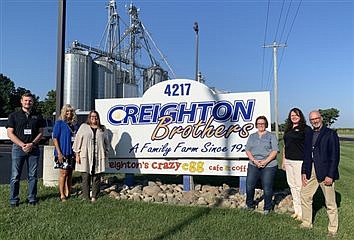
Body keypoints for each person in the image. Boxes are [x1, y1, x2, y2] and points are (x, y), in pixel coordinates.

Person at [300, 110, 340, 237]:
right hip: (311, 169)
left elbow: (335, 156)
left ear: (321, 118)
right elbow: (306, 154)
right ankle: (306, 223)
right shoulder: (309, 134)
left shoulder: (330, 134)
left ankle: (332, 229)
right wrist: (304, 171)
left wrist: (330, 175)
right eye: (312, 119)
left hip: (325, 171)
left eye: (316, 118)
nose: (315, 121)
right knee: (304, 195)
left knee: (330, 202)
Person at [7, 92, 45, 207]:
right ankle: (14, 199)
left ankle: (32, 198)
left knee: (33, 176)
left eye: (30, 100)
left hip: (34, 149)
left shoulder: (37, 116)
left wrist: (32, 144)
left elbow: (41, 132)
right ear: (21, 101)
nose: (28, 102)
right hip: (18, 149)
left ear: (33, 102)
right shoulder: (14, 115)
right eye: (26, 100)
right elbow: (10, 133)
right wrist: (23, 145)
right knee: (15, 176)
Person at [244, 116, 278, 215]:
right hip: (253, 164)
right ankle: (249, 205)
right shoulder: (252, 136)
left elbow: (275, 151)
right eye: (259, 123)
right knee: (249, 185)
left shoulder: (271, 136)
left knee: (267, 187)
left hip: (269, 165)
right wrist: (254, 161)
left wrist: (265, 162)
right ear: (256, 124)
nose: (261, 125)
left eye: (262, 123)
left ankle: (267, 208)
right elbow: (247, 150)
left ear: (266, 124)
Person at [281, 108, 311, 221]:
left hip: (299, 161)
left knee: (299, 186)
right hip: (288, 161)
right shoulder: (288, 129)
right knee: (292, 185)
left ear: (300, 116)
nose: (294, 117)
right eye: (292, 115)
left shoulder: (306, 129)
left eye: (296, 115)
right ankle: (297, 211)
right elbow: (285, 146)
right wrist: (283, 160)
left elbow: (308, 148)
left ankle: (304, 212)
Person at [73, 110, 109, 202]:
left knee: (97, 177)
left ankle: (94, 196)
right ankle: (86, 197)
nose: (94, 118)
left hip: (98, 155)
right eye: (92, 116)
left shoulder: (102, 128)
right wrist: (77, 154)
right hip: (86, 155)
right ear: (89, 117)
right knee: (86, 177)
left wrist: (106, 151)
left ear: (98, 118)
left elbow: (107, 142)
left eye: (96, 117)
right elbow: (77, 141)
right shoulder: (84, 127)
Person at [52, 104, 78, 201]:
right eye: (67, 111)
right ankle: (62, 194)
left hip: (72, 152)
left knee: (70, 173)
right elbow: (55, 138)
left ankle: (68, 191)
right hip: (62, 151)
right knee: (63, 173)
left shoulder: (75, 124)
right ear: (64, 112)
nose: (69, 113)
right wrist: (59, 153)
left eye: (71, 111)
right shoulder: (59, 123)